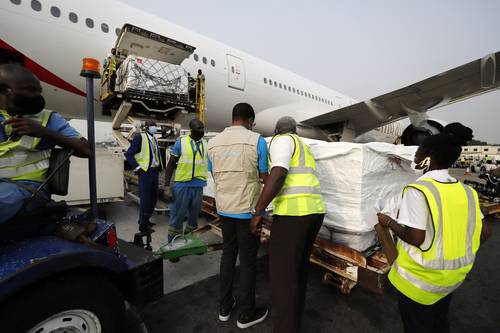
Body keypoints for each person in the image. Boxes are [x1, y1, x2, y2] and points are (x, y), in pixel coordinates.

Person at [377, 123, 491, 333]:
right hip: (452, 279)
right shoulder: (467, 191)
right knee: (440, 323)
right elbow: (484, 232)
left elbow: (416, 237)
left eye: (418, 152)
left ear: (428, 156)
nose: (415, 157)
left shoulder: (418, 190)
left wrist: (389, 223)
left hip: (420, 282)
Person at [250, 116, 325, 333]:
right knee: (296, 275)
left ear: (276, 130)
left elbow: (279, 172)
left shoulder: (282, 141)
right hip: (313, 213)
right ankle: (293, 325)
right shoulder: (303, 146)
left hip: (294, 216)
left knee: (282, 280)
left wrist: (258, 211)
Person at [0, 64, 90, 223]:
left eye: (39, 91)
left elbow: (86, 150)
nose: (38, 95)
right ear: (5, 91)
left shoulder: (49, 119)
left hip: (27, 188)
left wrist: (44, 132)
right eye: (30, 89)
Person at [207, 103, 269, 329]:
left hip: (225, 209)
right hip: (246, 211)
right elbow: (264, 177)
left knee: (228, 255)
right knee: (248, 261)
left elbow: (214, 173)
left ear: (233, 118)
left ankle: (224, 308)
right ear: (251, 120)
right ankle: (246, 313)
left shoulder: (212, 143)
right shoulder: (257, 141)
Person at [164, 118, 207, 241]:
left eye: (203, 128)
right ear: (191, 130)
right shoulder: (181, 143)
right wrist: (167, 186)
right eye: (199, 128)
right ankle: (173, 245)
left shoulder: (205, 144)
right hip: (182, 185)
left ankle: (191, 241)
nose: (202, 131)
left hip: (198, 185)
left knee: (194, 217)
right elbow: (171, 164)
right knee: (178, 216)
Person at [125, 120, 162, 232]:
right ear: (146, 127)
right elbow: (129, 154)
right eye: (152, 126)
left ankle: (147, 219)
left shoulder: (154, 138)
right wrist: (137, 168)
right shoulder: (140, 137)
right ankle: (142, 224)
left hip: (154, 171)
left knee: (153, 197)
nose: (155, 128)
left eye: (155, 126)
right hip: (145, 171)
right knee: (145, 198)